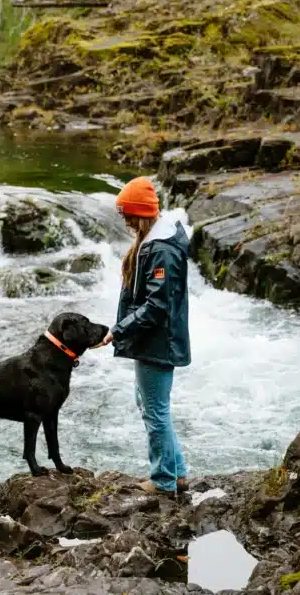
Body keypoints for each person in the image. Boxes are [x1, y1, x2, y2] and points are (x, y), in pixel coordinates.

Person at [94, 176, 191, 497]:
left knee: (154, 410)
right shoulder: (156, 240)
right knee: (151, 404)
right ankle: (177, 472)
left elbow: (157, 305)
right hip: (156, 339)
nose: (123, 221)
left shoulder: (160, 250)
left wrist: (117, 331)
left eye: (126, 215)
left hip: (158, 341)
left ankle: (163, 479)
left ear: (141, 214)